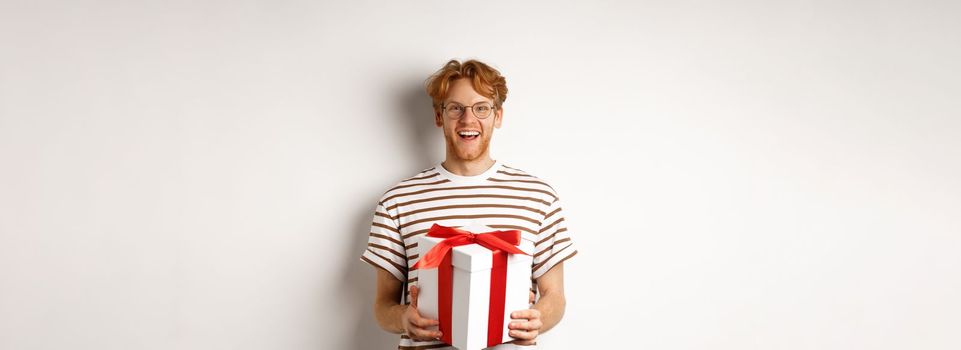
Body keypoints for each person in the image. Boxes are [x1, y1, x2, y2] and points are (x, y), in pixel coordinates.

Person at [360, 59, 577, 349]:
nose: (468, 119)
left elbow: (555, 298)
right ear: (440, 116)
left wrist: (538, 317)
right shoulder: (397, 200)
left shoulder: (537, 196)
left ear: (498, 116)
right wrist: (403, 318)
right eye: (455, 108)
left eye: (481, 108)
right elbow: (382, 306)